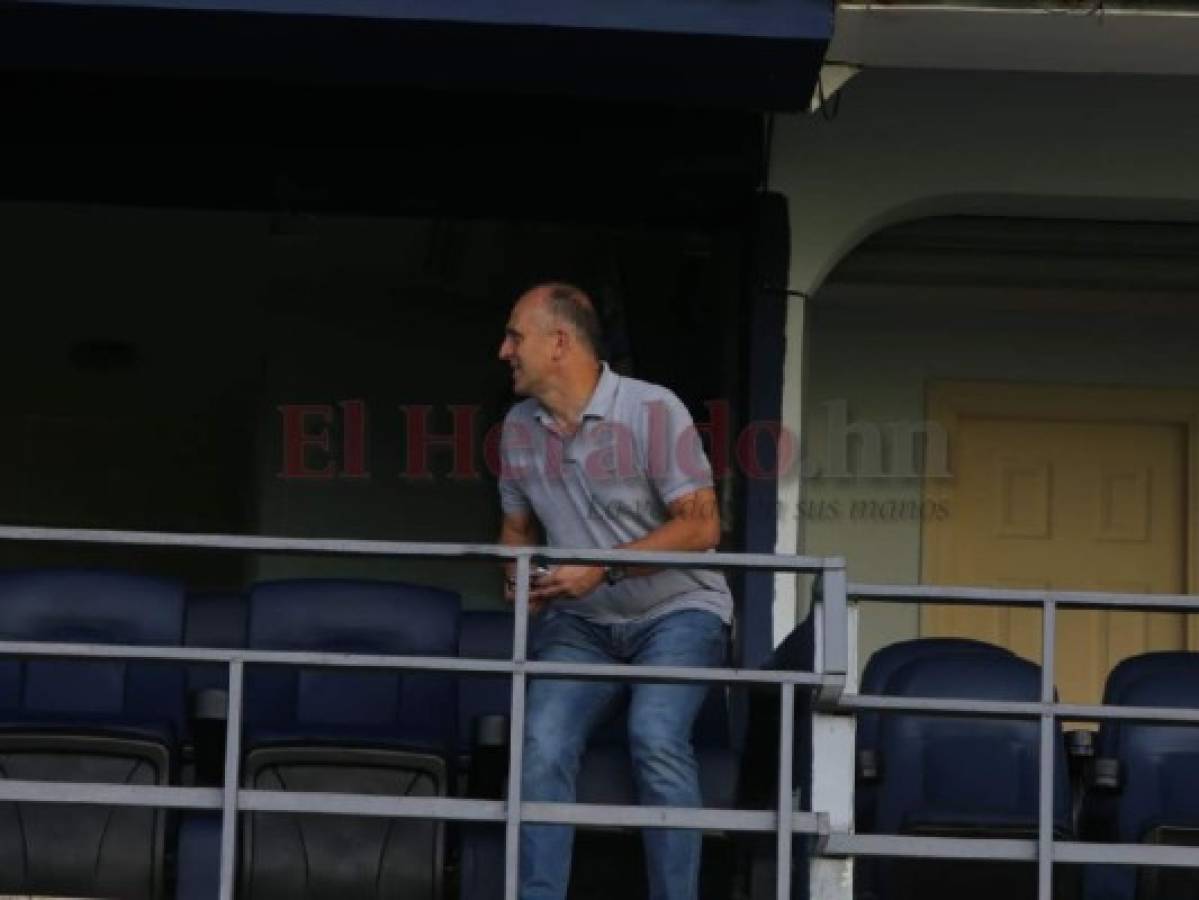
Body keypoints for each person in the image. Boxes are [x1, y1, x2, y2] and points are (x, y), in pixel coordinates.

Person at [495, 282, 734, 900]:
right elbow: (517, 529)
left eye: (514, 336)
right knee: (542, 742)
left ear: (559, 342)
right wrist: (516, 572)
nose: (503, 351)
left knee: (655, 735)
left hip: (680, 610)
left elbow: (703, 526)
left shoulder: (653, 409)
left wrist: (602, 568)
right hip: (582, 622)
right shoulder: (517, 428)